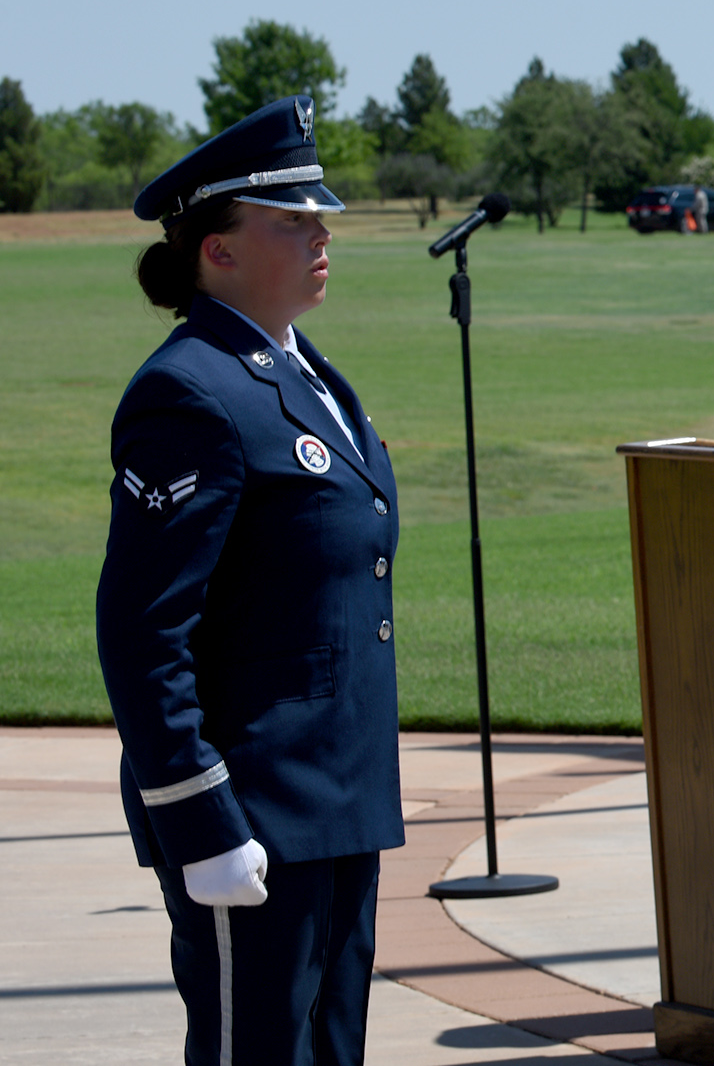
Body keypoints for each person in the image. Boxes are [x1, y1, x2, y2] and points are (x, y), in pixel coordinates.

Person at [98, 95, 404, 1065]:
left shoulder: (302, 372)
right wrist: (201, 821)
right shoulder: (191, 390)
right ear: (216, 250)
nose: (321, 235)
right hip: (258, 815)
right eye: (291, 221)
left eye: (321, 218)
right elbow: (145, 633)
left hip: (339, 803)